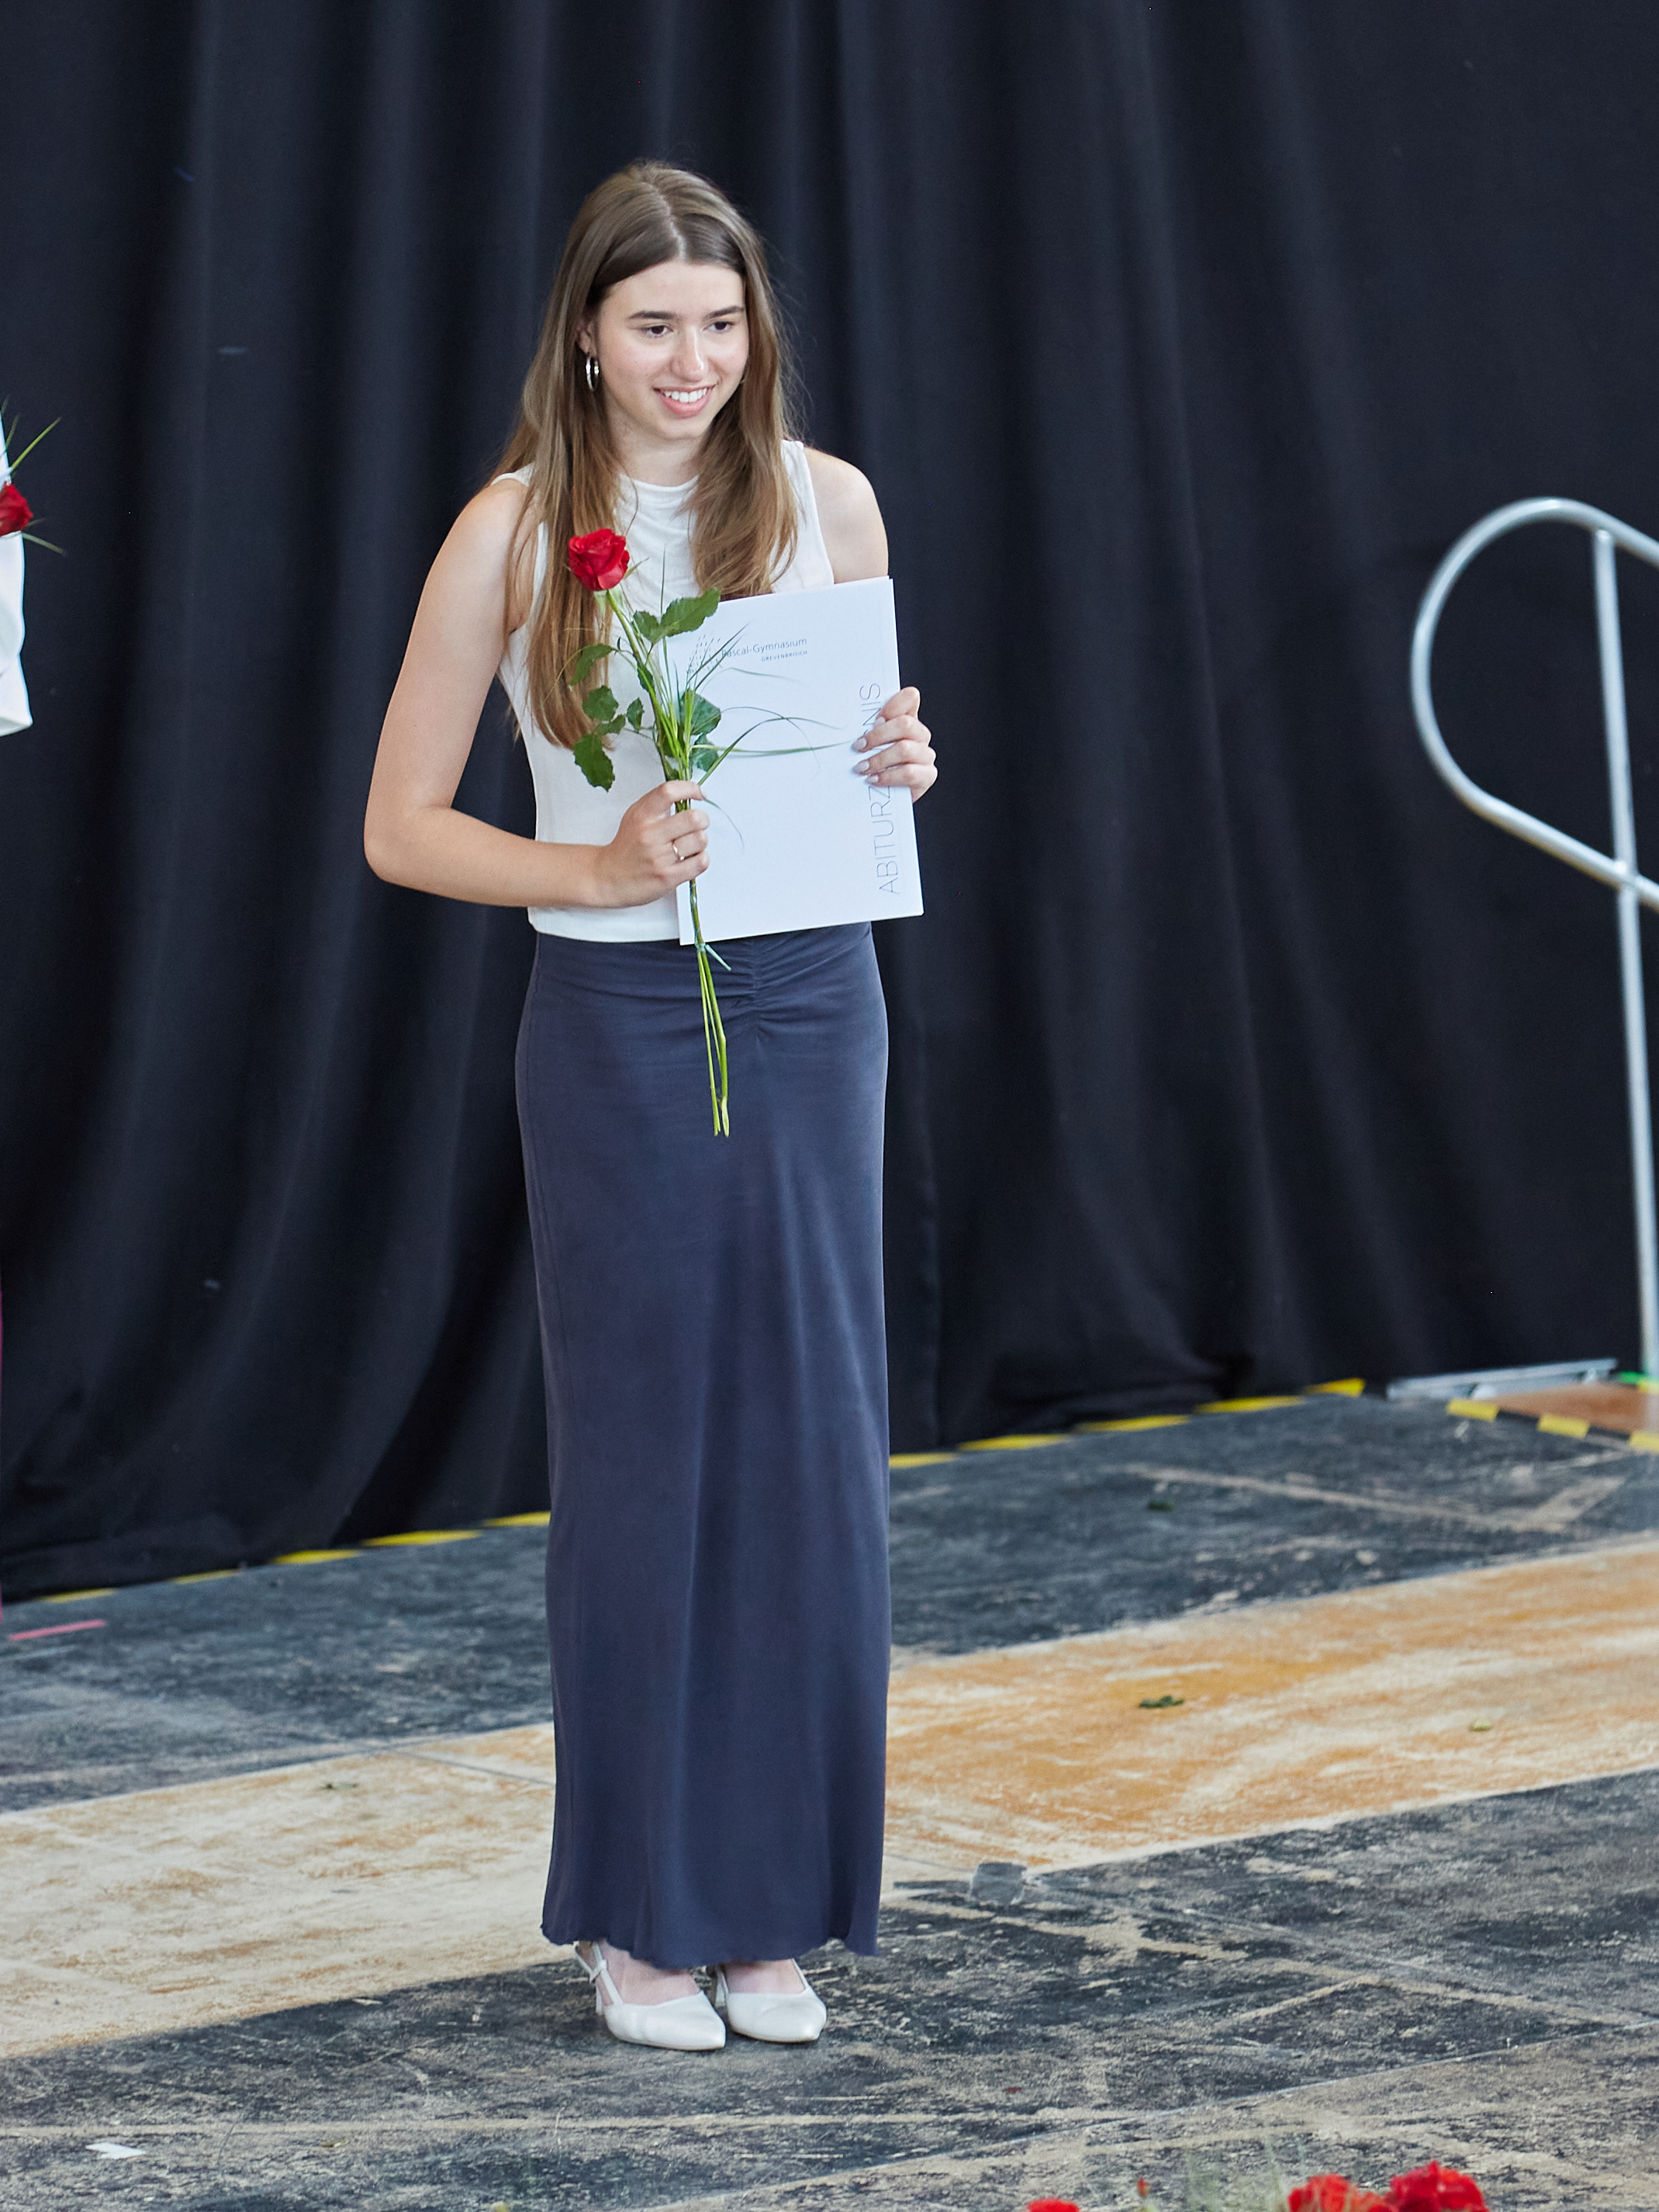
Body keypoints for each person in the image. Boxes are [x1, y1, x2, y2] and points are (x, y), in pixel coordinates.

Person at [365, 163, 937, 2052]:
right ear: (588, 340)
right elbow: (400, 826)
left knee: (811, 1448)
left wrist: (895, 757)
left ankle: (769, 1910)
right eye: (654, 325)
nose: (693, 361)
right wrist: (594, 871)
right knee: (647, 1462)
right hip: (616, 1017)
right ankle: (638, 1917)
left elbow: (851, 757)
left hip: (815, 1002)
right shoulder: (515, 529)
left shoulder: (829, 503)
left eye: (720, 322)